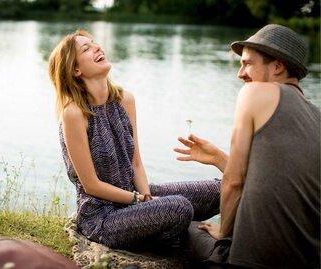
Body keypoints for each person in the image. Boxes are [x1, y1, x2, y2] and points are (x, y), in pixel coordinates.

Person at [47, 29, 221, 250]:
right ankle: (173, 237)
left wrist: (147, 200)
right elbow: (90, 185)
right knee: (179, 208)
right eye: (86, 48)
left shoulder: (125, 100)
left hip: (135, 197)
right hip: (103, 217)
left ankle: (167, 231)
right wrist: (139, 201)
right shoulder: (73, 114)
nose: (97, 47)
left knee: (220, 190)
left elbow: (135, 162)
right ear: (75, 70)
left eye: (95, 43)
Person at [175, 24, 320, 268]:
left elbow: (234, 181)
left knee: (182, 224)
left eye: (248, 63)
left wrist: (224, 234)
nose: (240, 73)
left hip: (249, 261)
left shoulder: (254, 93)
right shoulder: (316, 116)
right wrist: (220, 159)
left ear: (277, 66)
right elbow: (283, 180)